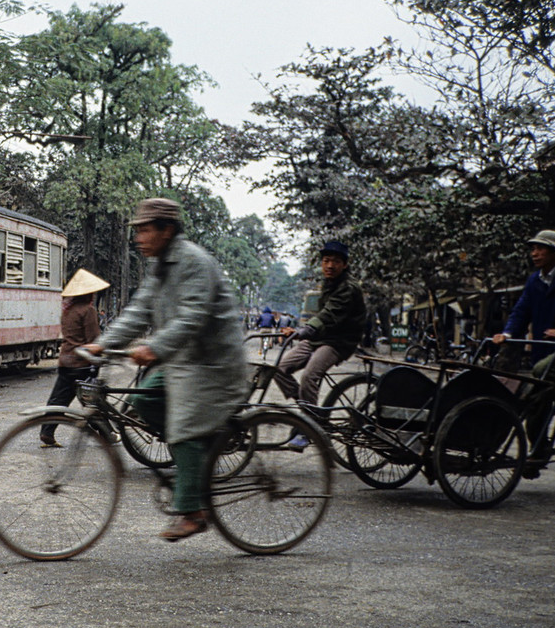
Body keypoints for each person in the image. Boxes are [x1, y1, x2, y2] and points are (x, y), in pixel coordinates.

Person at [83, 198, 250, 542]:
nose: (138, 238)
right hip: (182, 360)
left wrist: (153, 348)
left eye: (145, 230)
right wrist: (103, 342)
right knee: (143, 401)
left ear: (167, 230)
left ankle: (193, 511)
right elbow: (138, 310)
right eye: (138, 231)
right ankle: (197, 455)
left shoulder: (194, 262)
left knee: (182, 428)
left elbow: (193, 317)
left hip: (211, 362)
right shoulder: (158, 266)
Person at [492, 230, 555, 444]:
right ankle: (538, 453)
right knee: (534, 401)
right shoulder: (534, 281)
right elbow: (521, 311)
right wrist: (507, 333)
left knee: (542, 370)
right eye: (533, 249)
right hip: (545, 349)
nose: (535, 253)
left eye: (541, 249)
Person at [274, 241, 366, 449]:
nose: (330, 266)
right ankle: (311, 413)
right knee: (279, 368)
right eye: (326, 261)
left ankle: (309, 428)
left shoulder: (349, 288)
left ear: (345, 264)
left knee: (309, 376)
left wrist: (303, 331)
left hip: (339, 342)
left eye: (335, 262)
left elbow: (328, 314)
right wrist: (304, 332)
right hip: (319, 337)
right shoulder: (328, 283)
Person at [40, 269, 110, 446]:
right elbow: (93, 339)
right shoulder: (88, 310)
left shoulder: (68, 310)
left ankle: (47, 431)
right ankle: (107, 433)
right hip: (83, 362)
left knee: (58, 399)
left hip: (66, 360)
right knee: (92, 401)